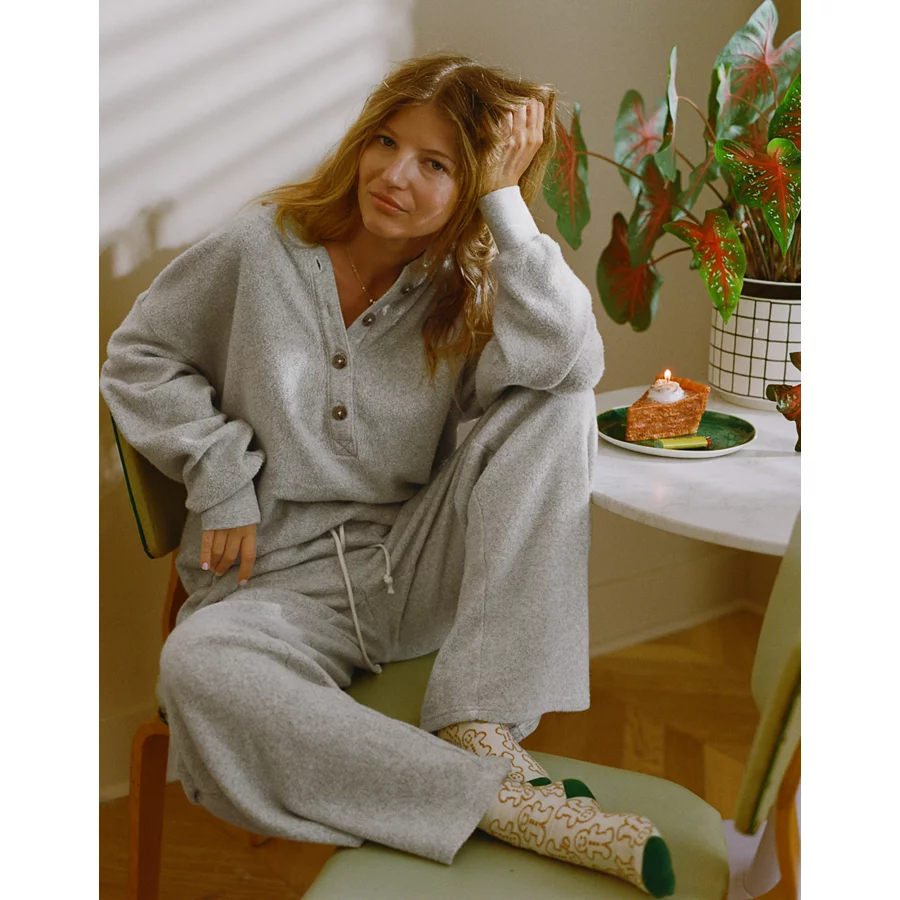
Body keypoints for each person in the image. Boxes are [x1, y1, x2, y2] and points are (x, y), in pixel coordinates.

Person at [101, 52, 673, 897]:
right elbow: (138, 357)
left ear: (473, 185)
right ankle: (507, 805)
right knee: (197, 667)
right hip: (270, 585)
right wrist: (220, 475)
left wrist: (506, 208)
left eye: (436, 165)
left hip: (413, 566)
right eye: (386, 142)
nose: (395, 175)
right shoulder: (261, 248)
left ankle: (479, 717)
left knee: (559, 403)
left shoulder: (468, 285)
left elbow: (568, 362)